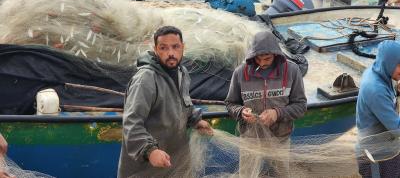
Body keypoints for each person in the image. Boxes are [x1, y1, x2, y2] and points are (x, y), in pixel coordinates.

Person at [117, 26, 213, 178]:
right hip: (147, 168)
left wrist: (195, 120)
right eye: (163, 48)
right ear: (155, 49)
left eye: (175, 47)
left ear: (183, 47)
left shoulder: (182, 73)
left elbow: (183, 104)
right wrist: (150, 151)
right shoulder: (146, 79)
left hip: (175, 162)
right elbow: (131, 122)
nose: (170, 53)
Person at [225, 31, 307, 177]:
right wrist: (241, 112)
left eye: (267, 58)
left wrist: (277, 113)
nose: (262, 63)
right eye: (258, 59)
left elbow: (301, 106)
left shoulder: (292, 70)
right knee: (247, 175)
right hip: (250, 139)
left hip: (280, 137)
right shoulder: (240, 73)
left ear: (276, 54)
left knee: (281, 174)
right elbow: (230, 103)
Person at [356, 40, 400, 178]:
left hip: (386, 145)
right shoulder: (375, 90)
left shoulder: (378, 70)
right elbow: (397, 129)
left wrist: (397, 91)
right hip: (375, 155)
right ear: (389, 62)